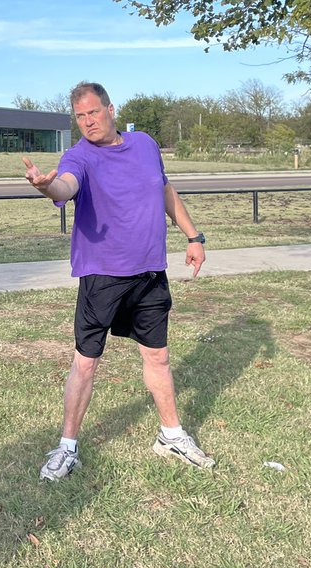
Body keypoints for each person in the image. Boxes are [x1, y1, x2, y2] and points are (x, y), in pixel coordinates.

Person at [23, 81, 213, 481]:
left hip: (149, 272)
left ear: (111, 109)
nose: (88, 122)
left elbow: (164, 189)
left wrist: (193, 236)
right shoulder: (79, 156)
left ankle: (171, 435)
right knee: (86, 362)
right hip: (103, 276)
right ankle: (67, 447)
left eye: (93, 112)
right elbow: (66, 185)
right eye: (80, 116)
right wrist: (46, 187)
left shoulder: (145, 143)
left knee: (157, 356)